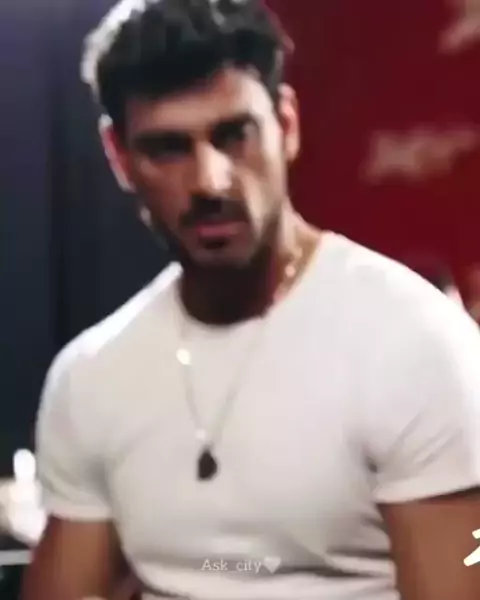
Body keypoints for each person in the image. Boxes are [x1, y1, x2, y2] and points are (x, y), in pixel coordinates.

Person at [21, 1, 480, 599]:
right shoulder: (91, 377)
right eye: (168, 148)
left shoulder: (417, 344)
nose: (210, 181)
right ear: (120, 157)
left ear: (286, 124)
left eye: (234, 134)